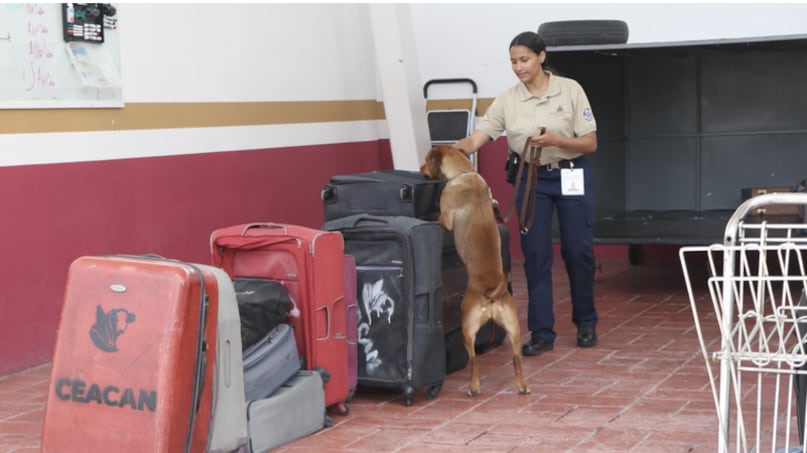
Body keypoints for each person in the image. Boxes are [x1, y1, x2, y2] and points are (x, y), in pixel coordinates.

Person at [455, 30, 598, 356]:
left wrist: (556, 141)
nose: (518, 67)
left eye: (524, 60)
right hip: (532, 179)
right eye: (513, 62)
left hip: (571, 173)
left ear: (541, 57)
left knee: (578, 251)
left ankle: (586, 321)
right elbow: (479, 137)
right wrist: (453, 151)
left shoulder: (570, 89)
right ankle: (542, 332)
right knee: (535, 255)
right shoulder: (508, 99)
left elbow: (590, 142)